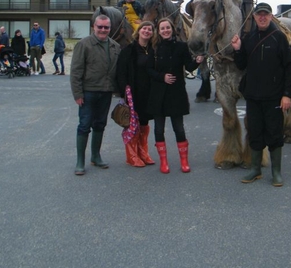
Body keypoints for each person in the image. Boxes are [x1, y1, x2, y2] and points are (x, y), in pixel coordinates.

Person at [231, 2, 291, 187]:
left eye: (266, 14)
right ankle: (256, 169)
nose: (262, 17)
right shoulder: (249, 38)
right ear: (254, 17)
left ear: (270, 17)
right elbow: (242, 65)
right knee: (255, 132)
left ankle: (276, 172)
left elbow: (290, 68)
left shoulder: (278, 37)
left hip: (274, 97)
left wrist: (287, 94)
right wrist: (238, 49)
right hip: (253, 96)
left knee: (275, 134)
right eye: (259, 14)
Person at [147, 17, 203, 174]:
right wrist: (162, 77)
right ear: (159, 31)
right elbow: (149, 70)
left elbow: (189, 66)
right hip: (158, 94)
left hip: (176, 93)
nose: (165, 30)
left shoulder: (181, 46)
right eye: (162, 28)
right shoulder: (154, 47)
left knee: (179, 128)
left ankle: (184, 161)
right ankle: (163, 162)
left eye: (168, 28)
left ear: (172, 29)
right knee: (159, 129)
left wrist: (197, 61)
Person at [70, 15, 121, 175]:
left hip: (106, 92)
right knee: (84, 125)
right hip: (88, 92)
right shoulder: (83, 44)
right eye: (100, 27)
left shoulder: (115, 46)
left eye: (106, 27)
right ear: (94, 26)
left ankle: (96, 156)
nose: (103, 30)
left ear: (110, 29)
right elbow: (76, 71)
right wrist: (77, 93)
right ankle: (80, 161)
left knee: (100, 124)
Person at [116, 21, 157, 167]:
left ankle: (143, 152)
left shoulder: (153, 49)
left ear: (152, 33)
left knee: (145, 122)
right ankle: (132, 155)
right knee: (133, 124)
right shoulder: (129, 49)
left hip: (149, 93)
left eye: (150, 29)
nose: (147, 31)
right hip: (133, 92)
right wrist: (124, 91)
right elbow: (120, 72)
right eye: (144, 28)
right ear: (138, 31)